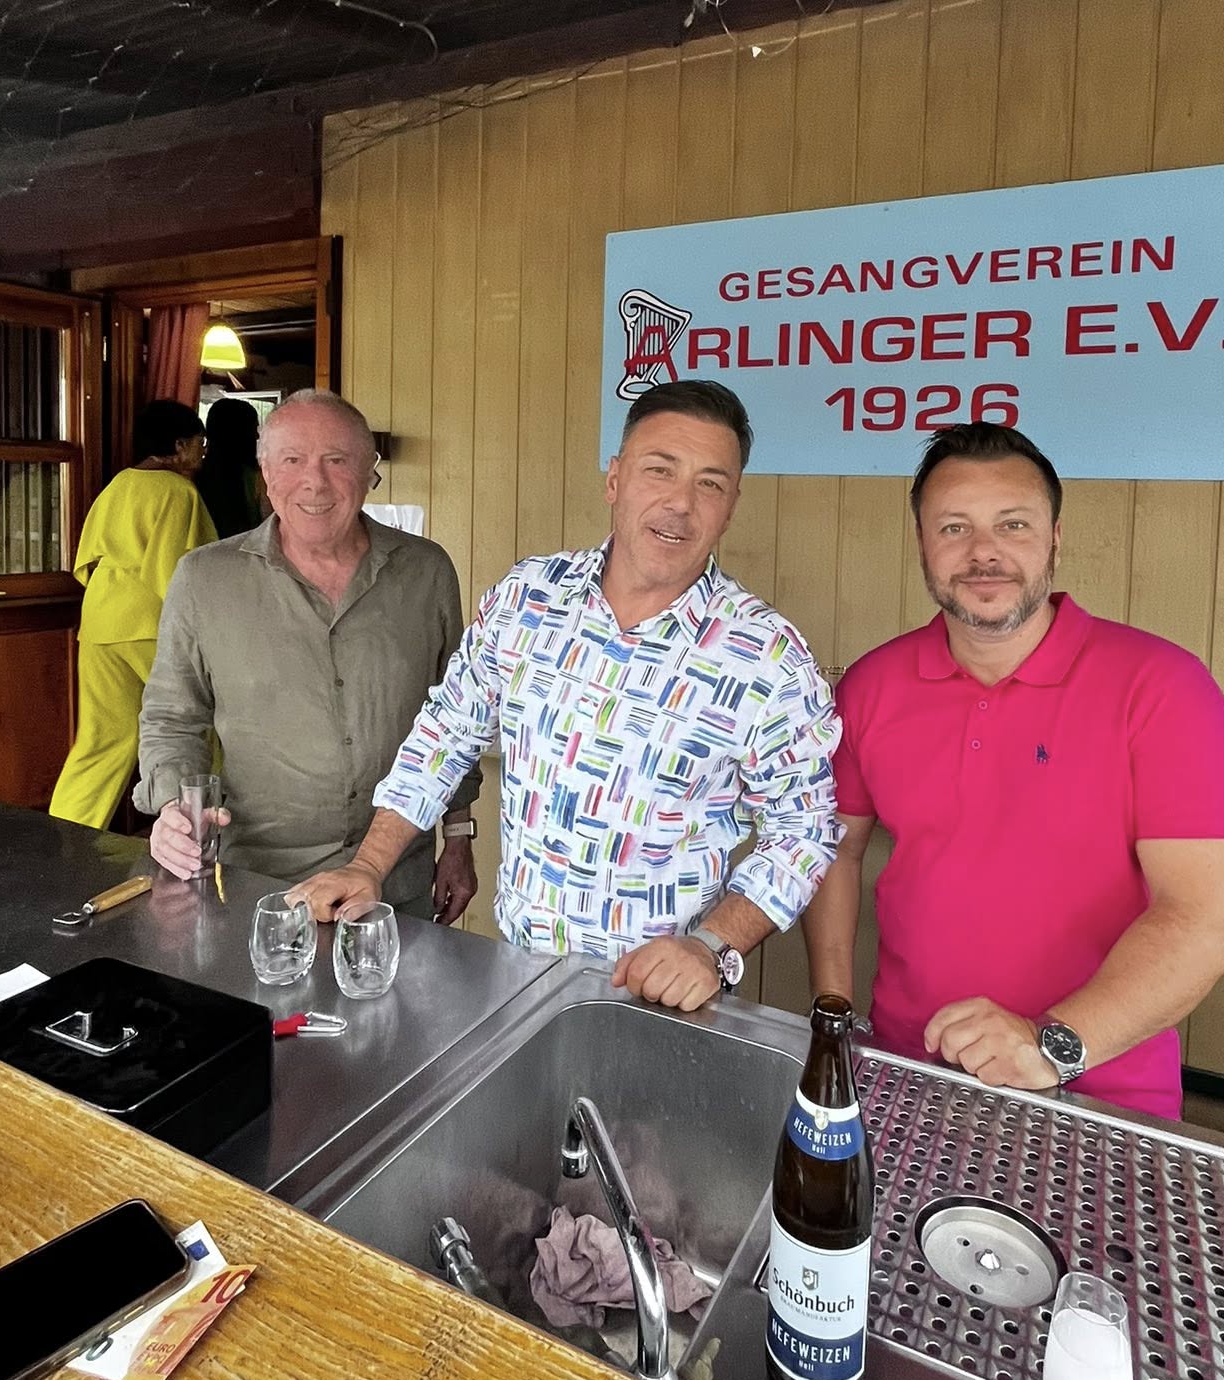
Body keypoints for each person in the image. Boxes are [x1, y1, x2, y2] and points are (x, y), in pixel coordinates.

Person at [292, 381, 841, 1011]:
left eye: (710, 484)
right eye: (659, 470)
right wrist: (368, 866)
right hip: (519, 978)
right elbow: (446, 733)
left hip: (662, 998)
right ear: (615, 479)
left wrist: (714, 946)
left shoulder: (767, 656)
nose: (680, 503)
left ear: (732, 505)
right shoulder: (529, 598)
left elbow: (805, 829)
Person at [802, 422, 1224, 1120]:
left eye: (1012, 524)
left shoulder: (1163, 689)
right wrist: (833, 1015)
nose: (984, 553)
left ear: (1055, 538)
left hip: (1099, 1092)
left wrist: (1054, 1046)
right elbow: (835, 848)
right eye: (954, 527)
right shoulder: (872, 686)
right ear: (921, 542)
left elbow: (1208, 917)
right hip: (906, 1068)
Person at [139, 390, 479, 917]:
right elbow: (171, 717)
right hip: (258, 883)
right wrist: (174, 810)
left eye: (336, 460)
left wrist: (457, 837)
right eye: (293, 460)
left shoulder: (426, 571)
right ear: (265, 473)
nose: (314, 482)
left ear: (369, 471)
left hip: (394, 879)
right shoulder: (204, 579)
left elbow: (458, 719)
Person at [49, 399, 215, 830]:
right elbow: (174, 572)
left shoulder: (118, 484)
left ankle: (62, 835)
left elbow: (87, 559)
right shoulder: (178, 492)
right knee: (201, 725)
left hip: (100, 620)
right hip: (150, 623)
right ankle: (204, 827)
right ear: (178, 446)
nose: (202, 452)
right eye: (199, 444)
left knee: (102, 740)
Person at [194, 396, 266, 540]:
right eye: (254, 428)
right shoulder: (257, 478)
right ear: (242, 434)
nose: (257, 436)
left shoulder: (193, 475)